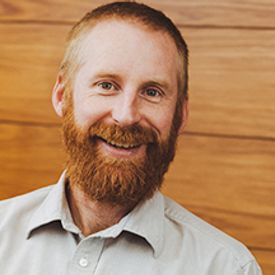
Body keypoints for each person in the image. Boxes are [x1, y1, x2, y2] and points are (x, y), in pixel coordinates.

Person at [0, 2, 262, 275]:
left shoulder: (226, 268)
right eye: (106, 85)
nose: (126, 116)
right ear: (61, 97)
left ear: (180, 115)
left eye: (152, 92)